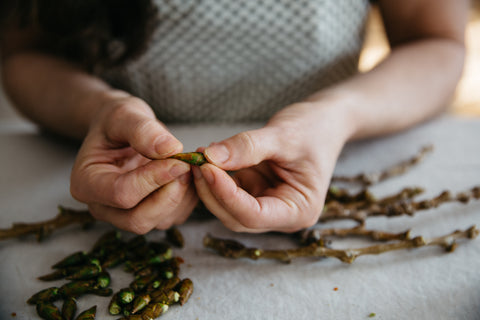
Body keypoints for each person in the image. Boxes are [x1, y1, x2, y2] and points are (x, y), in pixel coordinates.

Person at [0, 0, 469, 234]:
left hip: (332, 161)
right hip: (127, 158)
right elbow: (25, 56)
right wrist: (98, 108)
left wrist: (334, 116)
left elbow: (436, 45)